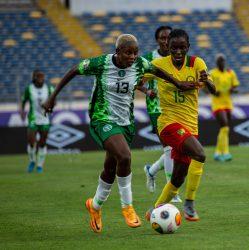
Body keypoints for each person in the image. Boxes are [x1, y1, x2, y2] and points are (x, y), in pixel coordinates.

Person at [42, 34, 195, 233]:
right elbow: (74, 70)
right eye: (128, 53)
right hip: (102, 118)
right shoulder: (102, 63)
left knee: (110, 167)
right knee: (124, 156)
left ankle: (95, 206)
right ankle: (127, 207)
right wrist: (52, 97)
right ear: (118, 52)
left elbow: (158, 71)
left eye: (135, 53)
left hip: (125, 123)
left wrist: (178, 84)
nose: (132, 57)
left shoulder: (140, 64)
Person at [145, 29, 216, 222]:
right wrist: (146, 91)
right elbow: (136, 80)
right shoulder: (158, 64)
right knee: (200, 154)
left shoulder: (196, 63)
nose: (177, 52)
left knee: (177, 178)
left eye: (182, 47)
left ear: (188, 47)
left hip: (190, 126)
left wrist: (207, 83)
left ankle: (154, 210)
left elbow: (213, 89)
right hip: (168, 124)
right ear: (167, 47)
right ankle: (190, 204)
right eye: (174, 47)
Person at [140, 26, 182, 203]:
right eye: (162, 38)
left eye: (168, 38)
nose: (165, 41)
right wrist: (146, 91)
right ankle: (172, 191)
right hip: (156, 109)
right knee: (170, 149)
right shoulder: (149, 59)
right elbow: (137, 82)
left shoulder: (178, 57)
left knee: (177, 149)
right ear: (157, 40)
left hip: (176, 108)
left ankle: (151, 171)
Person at [20, 70, 54, 173]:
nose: (41, 79)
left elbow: (54, 101)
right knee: (31, 142)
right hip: (33, 119)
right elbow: (23, 101)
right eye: (39, 77)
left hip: (45, 119)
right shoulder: (29, 89)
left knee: (42, 143)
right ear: (34, 78)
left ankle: (39, 165)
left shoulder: (49, 88)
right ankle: (32, 161)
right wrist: (22, 111)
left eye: (43, 77)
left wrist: (50, 107)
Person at [209, 54, 240, 162]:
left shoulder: (230, 72)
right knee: (225, 126)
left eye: (222, 61)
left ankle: (217, 153)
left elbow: (235, 86)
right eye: (219, 61)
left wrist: (233, 90)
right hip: (217, 104)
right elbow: (204, 86)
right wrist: (213, 92)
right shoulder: (212, 73)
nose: (221, 63)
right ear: (216, 63)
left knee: (224, 129)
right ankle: (226, 152)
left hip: (228, 103)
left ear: (224, 62)